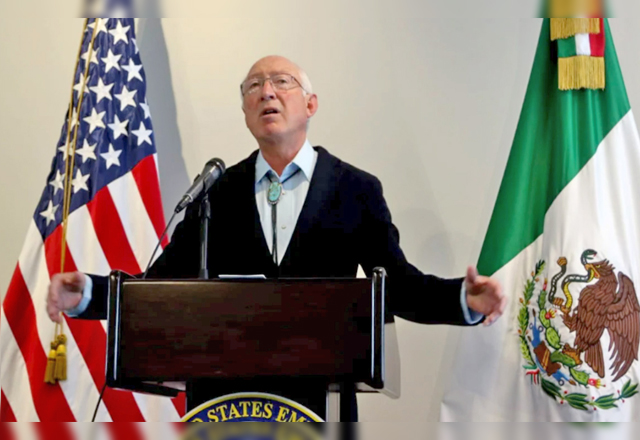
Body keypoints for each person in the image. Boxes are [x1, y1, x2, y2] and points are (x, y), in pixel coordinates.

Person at [46, 55, 506, 419]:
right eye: (253, 86)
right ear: (246, 112)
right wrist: (88, 293)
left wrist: (462, 300)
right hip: (224, 403)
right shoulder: (217, 192)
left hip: (320, 400)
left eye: (282, 82)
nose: (267, 91)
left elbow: (397, 286)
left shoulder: (354, 189)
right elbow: (158, 287)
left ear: (311, 104)